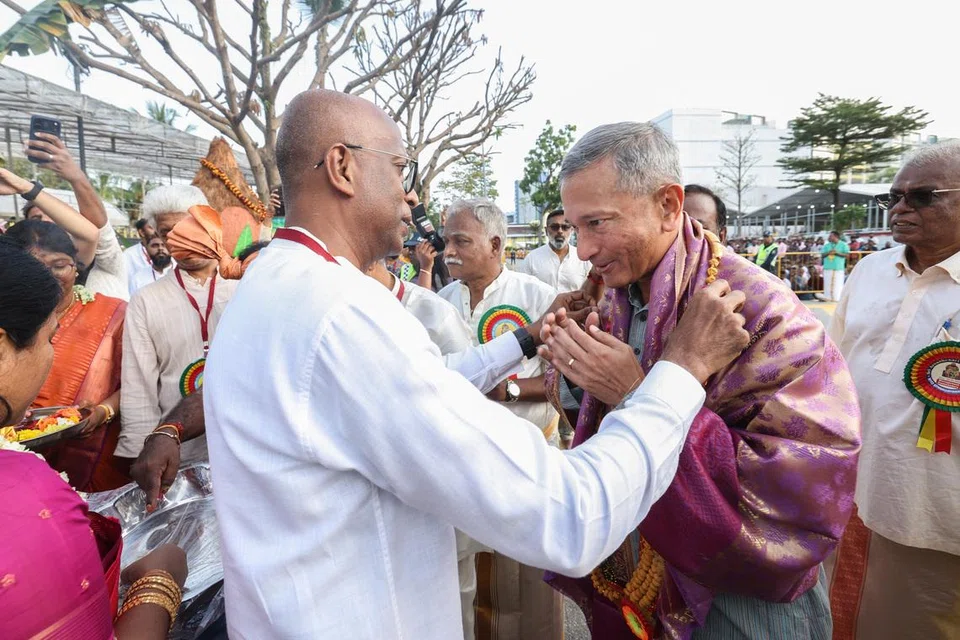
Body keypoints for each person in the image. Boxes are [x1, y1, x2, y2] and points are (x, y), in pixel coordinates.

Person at [202, 89, 750, 639]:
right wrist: (678, 371)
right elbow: (569, 516)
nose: (410, 193)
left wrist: (525, 341)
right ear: (343, 166)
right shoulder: (340, 313)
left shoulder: (278, 285)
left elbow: (427, 385)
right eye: (399, 167)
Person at [540, 121, 860, 639]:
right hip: (644, 573)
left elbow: (801, 486)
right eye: (574, 228)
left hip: (741, 602)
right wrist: (572, 366)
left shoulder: (759, 309)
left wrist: (635, 392)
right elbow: (588, 420)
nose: (581, 250)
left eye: (597, 224)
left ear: (669, 205)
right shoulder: (614, 296)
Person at [0, 240, 188, 640]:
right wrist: (158, 581)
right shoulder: (26, 494)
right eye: (50, 338)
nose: (52, 355)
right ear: (2, 349)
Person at [828, 142, 960, 639]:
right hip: (847, 492)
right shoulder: (869, 271)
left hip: (933, 509)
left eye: (923, 196)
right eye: (894, 196)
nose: (901, 208)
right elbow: (829, 371)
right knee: (840, 618)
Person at [439, 198, 564, 640]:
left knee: (529, 586)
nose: (447, 250)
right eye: (446, 240)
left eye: (460, 241)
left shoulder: (536, 297)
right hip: (465, 468)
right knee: (470, 584)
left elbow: (565, 375)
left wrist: (506, 391)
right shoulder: (441, 302)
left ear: (494, 244)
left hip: (527, 462)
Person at [118, 186, 238, 465]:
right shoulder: (145, 300)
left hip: (244, 446)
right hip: (178, 457)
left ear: (209, 224)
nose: (178, 238)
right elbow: (139, 387)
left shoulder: (245, 286)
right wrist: (140, 452)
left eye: (188, 227)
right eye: (166, 232)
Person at [5, 220, 128, 491]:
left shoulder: (115, 315)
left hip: (88, 450)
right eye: (35, 267)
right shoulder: (8, 313)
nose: (49, 276)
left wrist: (103, 411)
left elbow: (139, 380)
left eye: (60, 265)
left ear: (76, 266)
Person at [26, 132, 129, 301]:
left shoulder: (105, 265)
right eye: (37, 219)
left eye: (56, 218)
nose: (46, 224)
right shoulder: (24, 285)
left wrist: (76, 177)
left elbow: (97, 230)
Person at [516, 208, 593, 291]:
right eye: (554, 227)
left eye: (565, 227)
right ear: (546, 231)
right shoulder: (531, 259)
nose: (560, 231)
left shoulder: (583, 259)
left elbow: (591, 290)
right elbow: (522, 291)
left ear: (572, 230)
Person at [124, 218, 159, 294]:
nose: (156, 231)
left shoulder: (167, 252)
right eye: (151, 227)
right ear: (142, 232)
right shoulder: (129, 255)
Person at [818, 230, 850, 301]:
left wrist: (837, 253)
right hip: (828, 267)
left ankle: (837, 298)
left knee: (838, 284)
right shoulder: (827, 245)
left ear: (836, 237)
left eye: (831, 236)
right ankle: (827, 297)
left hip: (838, 268)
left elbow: (847, 255)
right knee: (827, 284)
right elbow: (822, 255)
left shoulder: (843, 245)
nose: (829, 237)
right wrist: (828, 252)